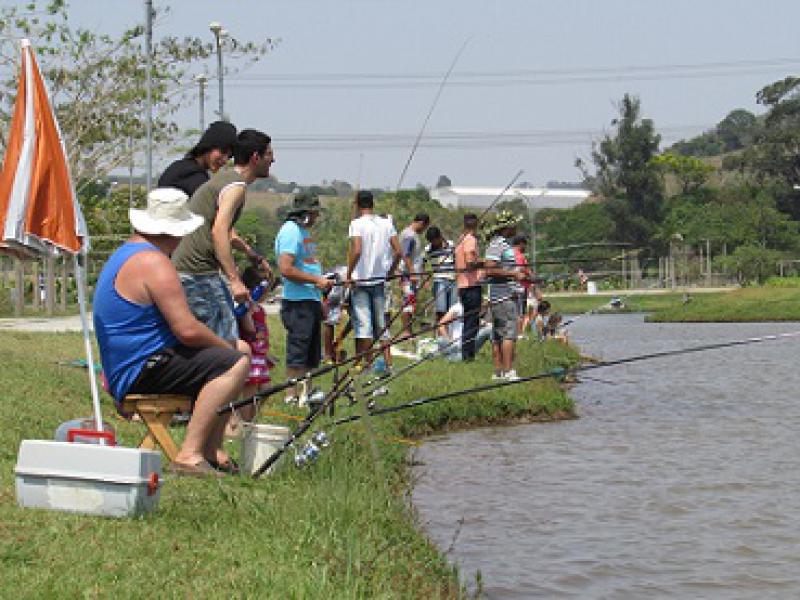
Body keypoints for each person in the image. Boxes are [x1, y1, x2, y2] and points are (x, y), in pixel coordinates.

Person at [93, 188, 249, 477]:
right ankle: (189, 454)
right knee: (236, 361)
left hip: (132, 364)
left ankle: (212, 449)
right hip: (141, 369)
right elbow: (187, 330)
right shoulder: (155, 263)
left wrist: (228, 348)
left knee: (241, 349)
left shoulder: (127, 253)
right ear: (175, 232)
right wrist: (224, 348)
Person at [171, 129, 274, 343]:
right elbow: (219, 230)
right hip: (197, 274)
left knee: (214, 344)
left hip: (188, 271)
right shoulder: (236, 187)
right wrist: (235, 281)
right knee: (226, 345)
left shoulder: (226, 180)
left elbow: (225, 232)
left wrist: (251, 254)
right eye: (269, 154)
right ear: (255, 157)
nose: (273, 160)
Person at [275, 193, 333, 401]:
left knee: (311, 352)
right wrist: (316, 280)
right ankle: (290, 395)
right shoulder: (290, 232)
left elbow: (308, 266)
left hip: (310, 299)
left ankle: (307, 393)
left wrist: (320, 295)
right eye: (314, 213)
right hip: (297, 302)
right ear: (305, 214)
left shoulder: (303, 232)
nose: (316, 217)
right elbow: (286, 268)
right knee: (298, 350)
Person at [346, 191, 402, 362]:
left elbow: (357, 250)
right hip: (379, 281)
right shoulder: (386, 223)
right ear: (372, 204)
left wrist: (349, 274)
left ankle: (367, 364)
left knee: (364, 326)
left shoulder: (356, 224)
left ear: (357, 205)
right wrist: (390, 272)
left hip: (360, 282)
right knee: (381, 325)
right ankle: (389, 364)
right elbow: (399, 251)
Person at [226, 266, 277, 438]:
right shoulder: (245, 309)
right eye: (264, 290)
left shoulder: (260, 309)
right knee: (250, 392)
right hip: (251, 356)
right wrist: (247, 310)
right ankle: (244, 425)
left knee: (266, 389)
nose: (266, 294)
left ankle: (248, 421)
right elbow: (249, 329)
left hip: (260, 356)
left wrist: (267, 354)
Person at [484, 210, 527, 381]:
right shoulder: (498, 244)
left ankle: (499, 372)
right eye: (514, 225)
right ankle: (508, 371)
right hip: (503, 297)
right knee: (509, 334)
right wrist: (513, 274)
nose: (516, 228)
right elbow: (490, 269)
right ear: (507, 227)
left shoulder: (501, 244)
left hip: (502, 296)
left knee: (498, 335)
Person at [158, 121, 237, 196]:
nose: (225, 160)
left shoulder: (181, 167)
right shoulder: (193, 175)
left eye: (229, 156)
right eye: (223, 151)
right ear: (209, 145)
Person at [454, 213, 483, 361]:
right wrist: (485, 262)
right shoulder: (470, 240)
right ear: (476, 224)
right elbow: (470, 263)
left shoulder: (461, 240)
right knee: (472, 321)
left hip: (463, 285)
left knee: (468, 321)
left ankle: (466, 353)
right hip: (471, 286)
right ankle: (468, 355)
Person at [398, 213, 430, 338]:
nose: (424, 230)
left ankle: (409, 330)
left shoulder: (413, 235)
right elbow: (405, 255)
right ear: (421, 223)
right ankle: (406, 331)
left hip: (412, 275)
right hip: (408, 275)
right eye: (425, 227)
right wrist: (412, 272)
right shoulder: (409, 235)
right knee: (408, 302)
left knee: (411, 303)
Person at [424, 225, 456, 323]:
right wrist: (425, 279)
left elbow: (457, 259)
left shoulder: (451, 245)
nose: (433, 243)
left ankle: (451, 329)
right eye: (431, 241)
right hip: (439, 280)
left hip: (453, 280)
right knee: (441, 309)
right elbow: (422, 263)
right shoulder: (428, 249)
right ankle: (441, 328)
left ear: (439, 237)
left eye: (435, 240)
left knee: (453, 309)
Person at [511, 235, 533, 337]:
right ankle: (519, 334)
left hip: (511, 288)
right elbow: (521, 269)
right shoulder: (519, 256)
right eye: (525, 245)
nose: (526, 247)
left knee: (514, 312)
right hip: (519, 288)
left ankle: (515, 333)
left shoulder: (508, 254)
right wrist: (530, 274)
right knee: (520, 313)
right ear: (521, 244)